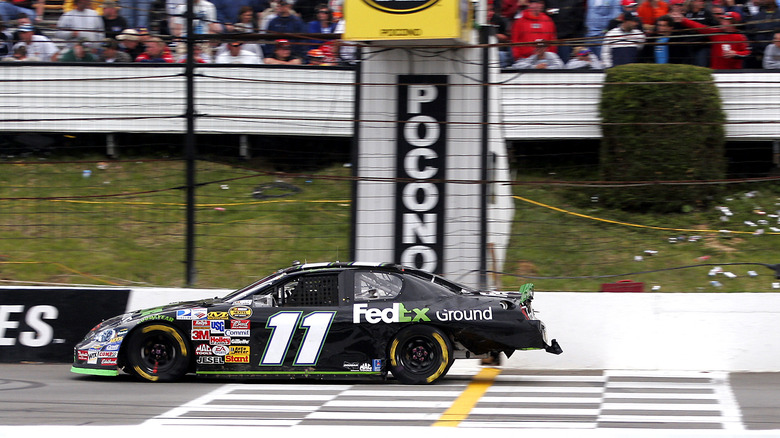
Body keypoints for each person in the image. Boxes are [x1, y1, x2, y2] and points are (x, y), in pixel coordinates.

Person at [673, 10, 750, 69]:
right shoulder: (716, 32)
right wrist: (683, 20)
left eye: (725, 21)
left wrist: (735, 54)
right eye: (722, 20)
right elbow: (699, 27)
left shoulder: (740, 37)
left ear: (734, 23)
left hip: (734, 73)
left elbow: (747, 53)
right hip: (716, 71)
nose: (722, 22)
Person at [744, 0, 780, 68]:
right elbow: (749, 35)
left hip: (776, 55)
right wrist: (755, 49)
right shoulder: (756, 17)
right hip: (758, 55)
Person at [682, 0, 717, 67]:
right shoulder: (687, 14)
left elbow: (714, 26)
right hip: (689, 45)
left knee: (701, 65)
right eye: (699, 1)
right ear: (692, 2)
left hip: (703, 44)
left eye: (702, 1)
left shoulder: (706, 13)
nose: (702, 2)